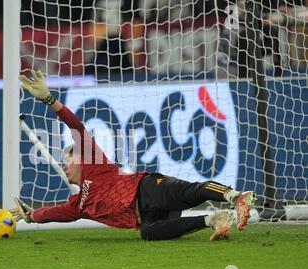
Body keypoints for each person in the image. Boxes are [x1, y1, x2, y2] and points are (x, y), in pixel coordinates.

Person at [13, 69, 256, 241]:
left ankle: (236, 197)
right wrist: (30, 216)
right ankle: (214, 220)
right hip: (148, 215)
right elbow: (52, 214)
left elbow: (76, 127)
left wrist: (49, 99)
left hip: (148, 188)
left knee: (189, 192)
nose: (64, 165)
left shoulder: (95, 166)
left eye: (68, 159)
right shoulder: (79, 206)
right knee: (148, 233)